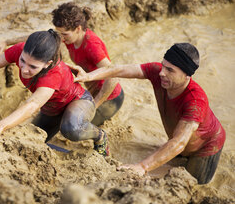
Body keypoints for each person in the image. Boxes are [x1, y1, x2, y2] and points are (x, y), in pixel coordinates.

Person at [0, 29, 109, 156]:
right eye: (22, 61)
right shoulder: (21, 50)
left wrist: (0, 125)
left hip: (78, 101)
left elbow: (31, 105)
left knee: (71, 129)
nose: (24, 69)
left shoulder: (53, 75)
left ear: (47, 63)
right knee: (33, 141)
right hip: (52, 107)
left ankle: (100, 136)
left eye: (33, 67)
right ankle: (69, 156)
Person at [74, 43, 226, 184]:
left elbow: (179, 142)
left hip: (206, 146)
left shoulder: (195, 101)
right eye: (163, 66)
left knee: (192, 184)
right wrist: (88, 76)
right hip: (179, 139)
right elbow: (119, 70)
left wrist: (142, 166)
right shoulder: (158, 73)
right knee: (171, 158)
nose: (161, 73)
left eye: (170, 70)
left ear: (187, 76)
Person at [0, 2, 124, 129]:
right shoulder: (71, 37)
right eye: (59, 33)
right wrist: (7, 41)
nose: (61, 38)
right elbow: (42, 39)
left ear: (78, 28)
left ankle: (101, 145)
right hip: (91, 92)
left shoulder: (91, 46)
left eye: (64, 34)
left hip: (109, 98)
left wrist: (95, 104)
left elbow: (113, 76)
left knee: (74, 128)